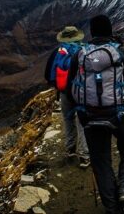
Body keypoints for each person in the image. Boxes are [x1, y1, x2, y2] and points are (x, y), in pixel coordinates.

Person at [67, 15, 124, 213]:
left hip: (90, 115)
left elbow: (70, 88)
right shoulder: (121, 52)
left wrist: (81, 114)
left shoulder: (80, 55)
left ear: (92, 33)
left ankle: (113, 209)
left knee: (100, 161)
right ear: (110, 31)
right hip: (118, 114)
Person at [44, 26, 90, 168]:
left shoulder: (58, 52)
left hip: (65, 93)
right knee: (82, 121)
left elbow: (48, 74)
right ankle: (84, 155)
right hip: (82, 92)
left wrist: (59, 87)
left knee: (68, 119)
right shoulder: (86, 50)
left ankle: (70, 149)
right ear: (78, 37)